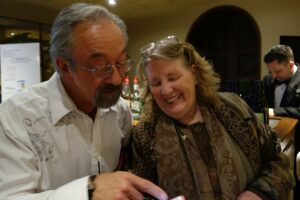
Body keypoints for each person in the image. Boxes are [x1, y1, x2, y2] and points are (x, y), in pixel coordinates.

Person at [0, 3, 167, 200]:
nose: (116, 78)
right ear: (65, 67)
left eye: (121, 62)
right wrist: (88, 190)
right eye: (99, 67)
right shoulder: (15, 118)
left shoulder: (120, 111)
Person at [129, 36, 295, 200]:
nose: (165, 90)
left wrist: (259, 193)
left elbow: (278, 163)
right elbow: (139, 195)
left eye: (173, 78)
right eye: (156, 83)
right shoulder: (145, 135)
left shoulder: (234, 109)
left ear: (194, 74)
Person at [263, 44, 300, 200]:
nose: (273, 76)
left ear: (290, 65)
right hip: (276, 135)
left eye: (277, 71)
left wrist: (276, 111)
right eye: (270, 71)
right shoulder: (269, 80)